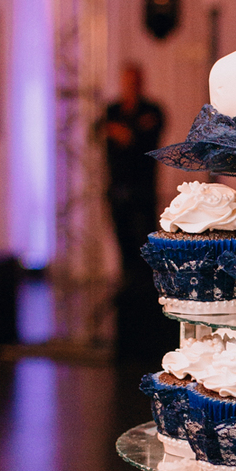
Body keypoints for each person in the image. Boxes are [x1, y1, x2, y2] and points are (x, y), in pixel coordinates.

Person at [95, 64, 165, 298]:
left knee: (144, 238)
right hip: (117, 186)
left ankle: (145, 288)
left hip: (143, 188)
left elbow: (143, 137)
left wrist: (121, 132)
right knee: (122, 236)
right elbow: (97, 130)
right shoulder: (113, 109)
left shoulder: (152, 110)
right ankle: (127, 286)